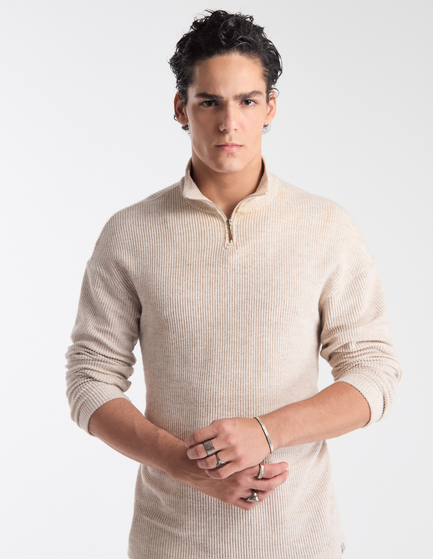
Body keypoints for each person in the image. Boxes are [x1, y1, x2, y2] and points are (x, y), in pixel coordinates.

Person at [66, 10, 401, 559]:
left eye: (247, 101)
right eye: (209, 102)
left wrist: (266, 432)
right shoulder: (130, 233)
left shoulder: (325, 226)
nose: (229, 123)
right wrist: (182, 464)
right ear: (181, 107)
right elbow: (89, 380)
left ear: (270, 107)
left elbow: (375, 373)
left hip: (300, 541)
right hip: (170, 543)